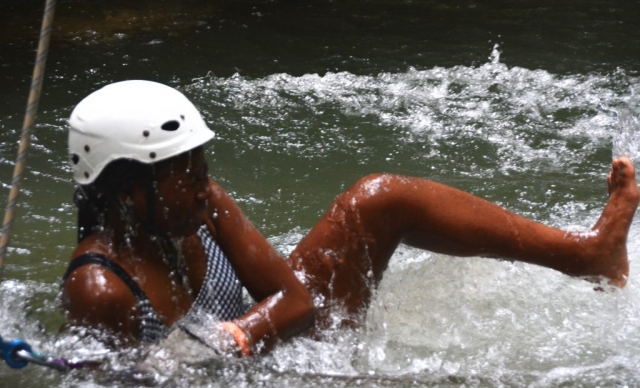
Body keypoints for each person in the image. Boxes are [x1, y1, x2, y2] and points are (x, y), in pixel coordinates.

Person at [61, 80, 639, 356]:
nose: (200, 186)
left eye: (199, 166)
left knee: (379, 197)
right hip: (258, 371)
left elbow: (294, 302)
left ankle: (586, 253)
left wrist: (235, 335)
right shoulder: (102, 291)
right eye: (180, 174)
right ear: (126, 191)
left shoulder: (206, 201)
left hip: (269, 342)